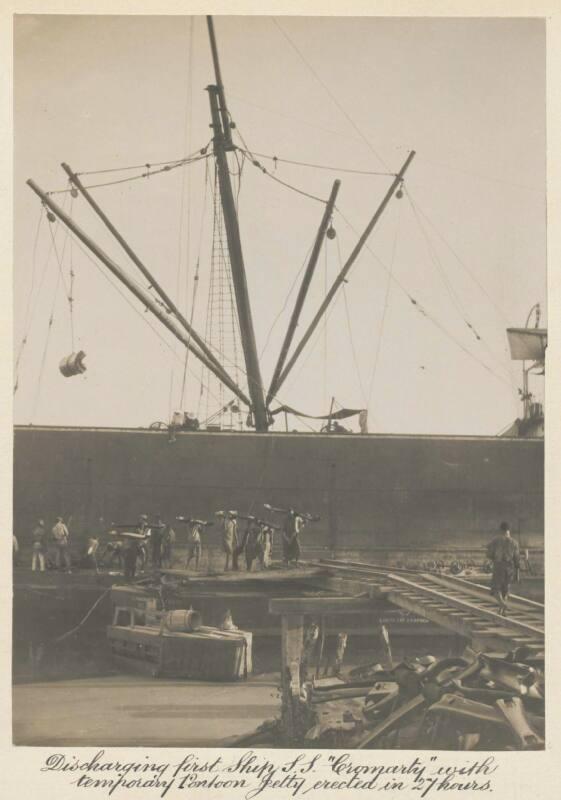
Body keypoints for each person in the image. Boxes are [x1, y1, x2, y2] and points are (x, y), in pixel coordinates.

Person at [486, 521, 520, 615]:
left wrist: (492, 555)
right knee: (506, 589)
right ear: (509, 530)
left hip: (499, 566)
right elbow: (517, 560)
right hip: (510, 567)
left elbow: (489, 554)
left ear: (501, 530)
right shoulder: (515, 543)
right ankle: (502, 611)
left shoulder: (496, 540)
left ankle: (502, 604)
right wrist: (517, 574)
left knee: (495, 588)